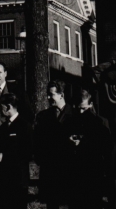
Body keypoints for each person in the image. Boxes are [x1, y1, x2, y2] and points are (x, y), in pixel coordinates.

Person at [65, 89, 114, 209]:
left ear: (91, 105)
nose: (81, 112)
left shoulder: (100, 123)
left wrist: (83, 143)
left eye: (84, 108)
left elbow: (106, 149)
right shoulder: (70, 121)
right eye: (78, 108)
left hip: (92, 174)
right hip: (74, 174)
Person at [0, 93, 33, 209]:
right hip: (4, 180)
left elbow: (27, 151)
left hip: (18, 180)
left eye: (0, 107)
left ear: (7, 107)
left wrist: (5, 156)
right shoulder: (2, 128)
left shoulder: (24, 126)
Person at [34, 80, 75, 209]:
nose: (48, 97)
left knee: (71, 202)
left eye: (51, 94)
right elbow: (38, 141)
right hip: (50, 169)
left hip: (69, 168)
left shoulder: (74, 115)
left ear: (61, 95)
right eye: (47, 94)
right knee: (52, 203)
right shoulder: (43, 116)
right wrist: (41, 159)